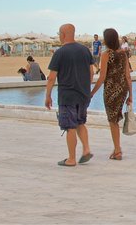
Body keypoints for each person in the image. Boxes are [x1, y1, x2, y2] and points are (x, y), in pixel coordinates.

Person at [45, 23, 95, 167]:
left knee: (70, 126)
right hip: (83, 95)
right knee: (80, 122)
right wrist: (86, 88)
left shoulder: (60, 53)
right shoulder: (85, 50)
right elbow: (91, 73)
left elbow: (51, 77)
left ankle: (71, 159)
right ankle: (86, 149)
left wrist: (48, 96)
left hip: (68, 96)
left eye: (59, 34)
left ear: (63, 34)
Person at [90, 28, 133, 160]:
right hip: (123, 89)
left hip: (110, 89)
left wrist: (91, 93)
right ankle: (116, 148)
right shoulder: (123, 54)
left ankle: (118, 150)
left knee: (112, 120)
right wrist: (130, 95)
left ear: (107, 40)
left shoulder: (105, 54)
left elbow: (102, 77)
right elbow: (128, 76)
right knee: (115, 118)